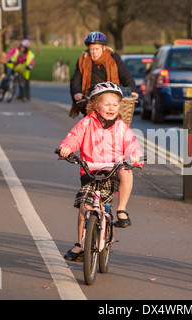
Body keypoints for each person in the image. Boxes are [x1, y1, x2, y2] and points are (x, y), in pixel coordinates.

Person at [58, 82, 143, 261]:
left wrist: (134, 155)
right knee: (84, 208)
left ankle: (121, 210)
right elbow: (74, 138)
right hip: (90, 170)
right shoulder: (87, 123)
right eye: (107, 104)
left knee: (127, 171)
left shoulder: (121, 126)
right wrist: (66, 147)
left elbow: (131, 143)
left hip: (113, 170)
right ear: (96, 105)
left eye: (115, 104)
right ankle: (81, 244)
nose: (111, 108)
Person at [69, 31, 138, 117]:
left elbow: (125, 75)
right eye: (91, 49)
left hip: (111, 100)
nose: (94, 52)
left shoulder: (114, 58)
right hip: (92, 100)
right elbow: (76, 79)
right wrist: (77, 92)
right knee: (89, 125)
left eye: (97, 49)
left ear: (104, 48)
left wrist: (133, 90)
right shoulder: (83, 60)